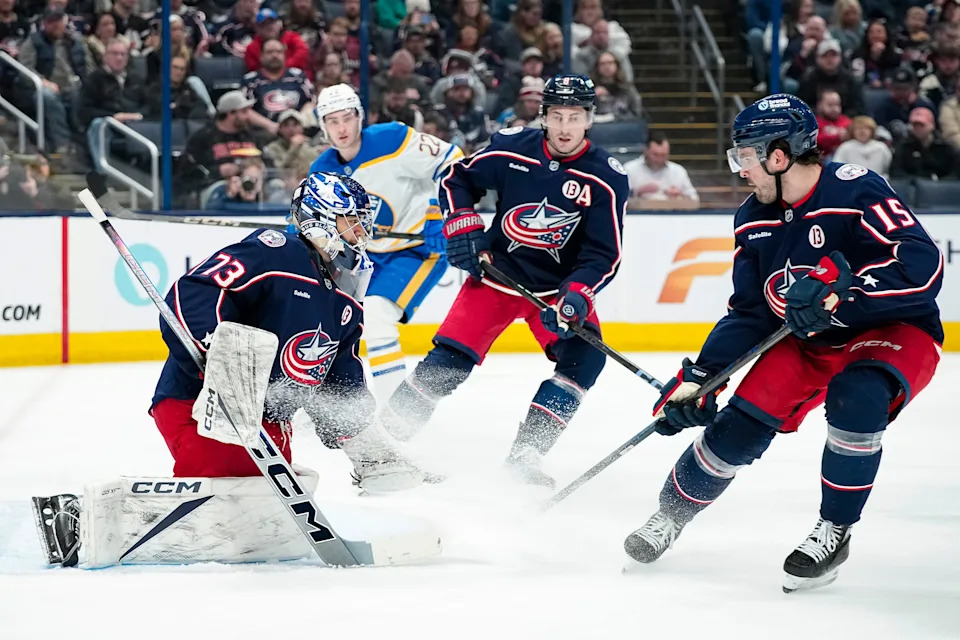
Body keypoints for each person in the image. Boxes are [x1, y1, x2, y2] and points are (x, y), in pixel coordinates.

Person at [31, 172, 437, 569]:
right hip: (200, 401)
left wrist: (364, 442)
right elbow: (198, 290)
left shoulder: (346, 297)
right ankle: (77, 522)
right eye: (353, 223)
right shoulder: (275, 251)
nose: (360, 235)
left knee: (265, 506)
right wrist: (215, 350)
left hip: (265, 422)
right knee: (224, 485)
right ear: (321, 218)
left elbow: (339, 377)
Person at [624, 94, 943, 593]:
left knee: (855, 399)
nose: (739, 170)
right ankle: (669, 516)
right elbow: (751, 312)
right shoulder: (752, 219)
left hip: (889, 332)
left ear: (779, 155)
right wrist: (701, 377)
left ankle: (835, 530)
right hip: (806, 341)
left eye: (745, 157)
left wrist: (846, 292)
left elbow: (922, 265)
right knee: (737, 428)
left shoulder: (857, 190)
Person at [382, 74, 629, 488]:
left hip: (554, 292)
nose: (565, 127)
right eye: (557, 116)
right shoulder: (513, 148)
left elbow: (604, 253)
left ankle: (526, 454)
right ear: (543, 117)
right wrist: (462, 224)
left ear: (589, 119)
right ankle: (386, 434)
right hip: (497, 276)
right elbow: (456, 179)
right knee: (450, 362)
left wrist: (576, 296)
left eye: (575, 117)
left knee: (586, 359)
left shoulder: (606, 177)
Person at [309, 84, 463, 402]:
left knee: (377, 315)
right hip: (366, 259)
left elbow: (454, 163)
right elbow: (311, 223)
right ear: (323, 126)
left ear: (359, 117)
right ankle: (327, 402)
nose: (341, 128)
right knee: (323, 320)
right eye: (332, 120)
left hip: (419, 249)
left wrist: (444, 214)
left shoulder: (393, 139)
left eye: (347, 118)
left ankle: (396, 412)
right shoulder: (322, 170)